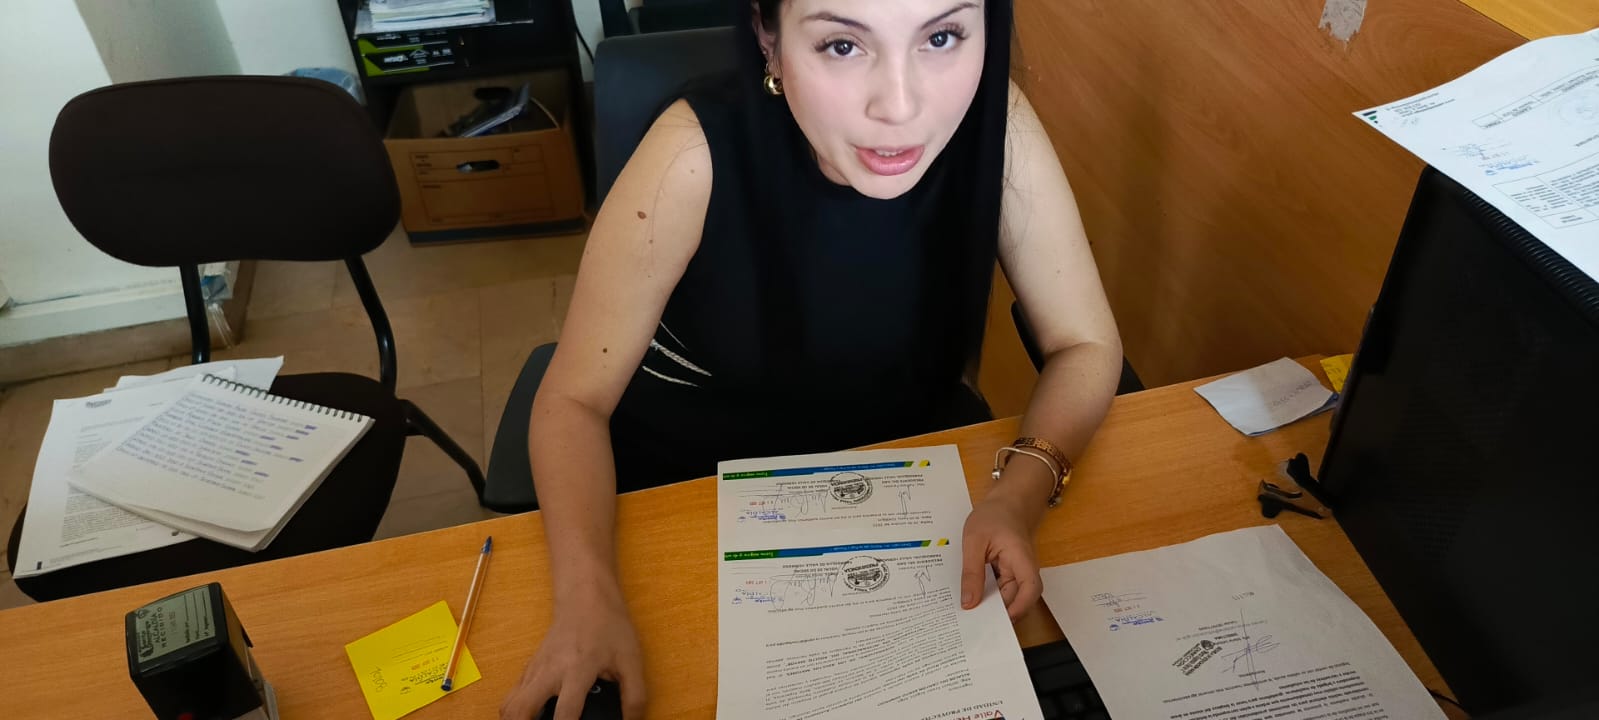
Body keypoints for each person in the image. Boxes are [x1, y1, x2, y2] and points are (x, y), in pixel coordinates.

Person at [500, 1, 1122, 718]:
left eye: (942, 36)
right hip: (691, 504)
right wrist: (587, 597)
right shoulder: (691, 155)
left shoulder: (995, 122)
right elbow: (572, 399)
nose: (900, 106)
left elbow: (1085, 343)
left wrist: (1018, 495)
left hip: (899, 501)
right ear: (768, 38)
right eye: (842, 46)